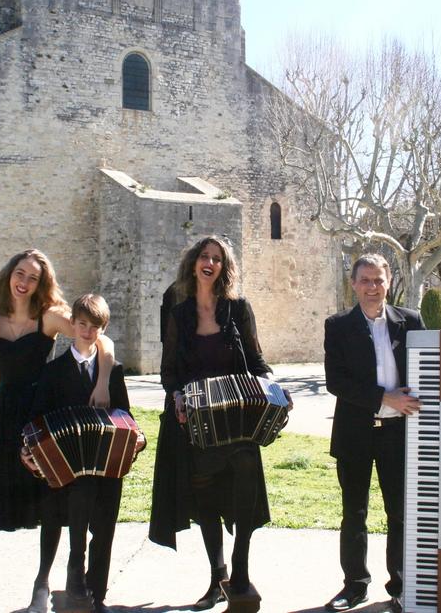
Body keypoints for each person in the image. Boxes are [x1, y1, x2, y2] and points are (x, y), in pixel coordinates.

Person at [0, 250, 115, 613]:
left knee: (49, 505)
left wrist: (104, 382)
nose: (25, 282)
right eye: (21, 273)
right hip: (4, 419)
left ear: (41, 284)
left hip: (40, 416)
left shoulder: (48, 317)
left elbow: (101, 341)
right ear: (9, 275)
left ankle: (41, 586)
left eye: (33, 278)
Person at [323, 253, 441, 613]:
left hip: (398, 435)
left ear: (389, 282)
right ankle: (354, 586)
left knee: (399, 513)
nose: (372, 287)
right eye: (365, 280)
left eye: (378, 280)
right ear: (353, 284)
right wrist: (385, 397)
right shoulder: (337, 325)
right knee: (355, 512)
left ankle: (400, 586)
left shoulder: (409, 321)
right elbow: (336, 381)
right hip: (355, 433)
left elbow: (439, 363)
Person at [149, 235, 288, 610]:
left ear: (224, 268)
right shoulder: (179, 314)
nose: (209, 263)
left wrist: (273, 387)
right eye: (204, 257)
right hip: (196, 421)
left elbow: (257, 363)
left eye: (217, 259)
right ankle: (217, 576)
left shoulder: (238, 309)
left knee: (244, 465)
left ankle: (240, 570)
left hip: (237, 421)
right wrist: (176, 395)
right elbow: (168, 372)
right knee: (204, 494)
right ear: (194, 263)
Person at [29, 293, 145, 613]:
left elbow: (126, 416)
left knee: (105, 527)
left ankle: (98, 594)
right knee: (80, 509)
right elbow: (38, 417)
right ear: (73, 325)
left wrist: (139, 439)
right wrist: (31, 448)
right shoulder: (54, 371)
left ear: (102, 329)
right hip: (71, 469)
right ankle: (75, 577)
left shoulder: (114, 370)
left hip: (107, 463)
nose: (87, 331)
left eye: (95, 326)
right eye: (82, 324)